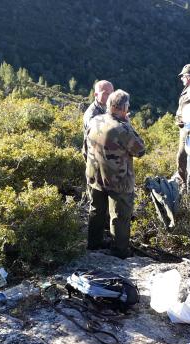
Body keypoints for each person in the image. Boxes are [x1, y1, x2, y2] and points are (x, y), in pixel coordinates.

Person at [86, 89, 145, 259]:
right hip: (117, 179)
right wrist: (128, 124)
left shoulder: (95, 120)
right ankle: (119, 251)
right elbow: (140, 150)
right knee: (120, 216)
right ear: (124, 107)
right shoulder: (121, 129)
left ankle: (93, 244)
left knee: (96, 210)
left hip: (95, 175)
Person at [175, 64, 190, 189]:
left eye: (183, 76)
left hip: (189, 129)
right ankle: (185, 181)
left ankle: (186, 184)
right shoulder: (188, 88)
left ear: (189, 76)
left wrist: (186, 121)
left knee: (183, 156)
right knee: (183, 156)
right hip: (184, 127)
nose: (181, 78)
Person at [82, 80, 114, 160]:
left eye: (112, 93)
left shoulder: (108, 108)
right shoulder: (92, 114)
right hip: (96, 162)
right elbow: (98, 137)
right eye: (106, 93)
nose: (110, 96)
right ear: (96, 95)